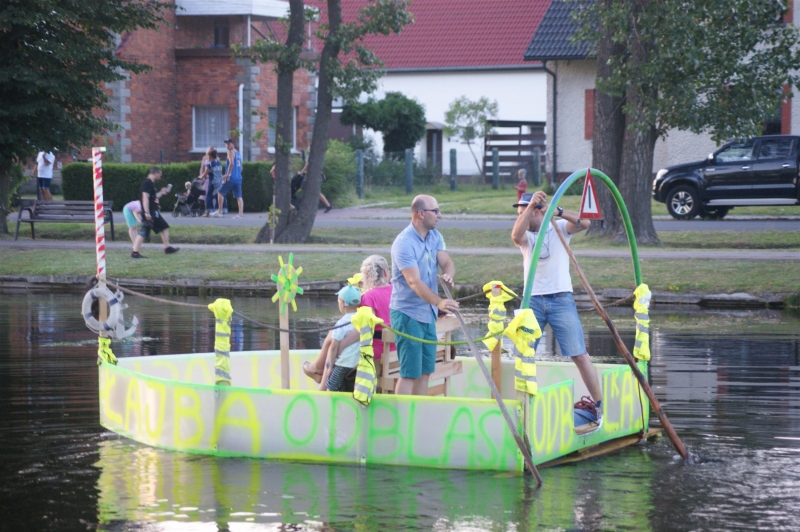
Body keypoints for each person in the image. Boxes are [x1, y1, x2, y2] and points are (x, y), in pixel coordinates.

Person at [510, 190, 603, 425]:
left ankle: (599, 405)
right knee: (524, 355)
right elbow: (515, 235)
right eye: (520, 213)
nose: (521, 216)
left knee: (579, 354)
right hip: (532, 301)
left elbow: (585, 223)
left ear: (538, 212)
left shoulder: (559, 227)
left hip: (561, 299)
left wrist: (557, 211)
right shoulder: (525, 236)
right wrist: (529, 206)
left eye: (525, 212)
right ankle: (521, 407)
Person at [389, 195, 458, 396]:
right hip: (407, 314)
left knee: (426, 372)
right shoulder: (403, 243)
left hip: (428, 313)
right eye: (435, 211)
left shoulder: (435, 235)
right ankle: (403, 415)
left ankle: (416, 411)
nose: (439, 215)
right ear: (421, 214)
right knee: (409, 373)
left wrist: (448, 274)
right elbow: (413, 282)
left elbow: (447, 262)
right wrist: (440, 302)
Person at [302, 255, 389, 383]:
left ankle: (320, 374)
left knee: (335, 335)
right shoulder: (395, 292)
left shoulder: (369, 297)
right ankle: (318, 369)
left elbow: (363, 329)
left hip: (374, 354)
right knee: (336, 333)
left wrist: (339, 347)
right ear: (386, 273)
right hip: (396, 351)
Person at [318, 285, 363, 392]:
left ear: (342, 304)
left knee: (331, 387)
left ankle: (329, 401)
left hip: (343, 365)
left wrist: (330, 367)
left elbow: (333, 347)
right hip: (358, 364)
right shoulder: (362, 320)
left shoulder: (341, 323)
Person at [131, 167, 179, 258]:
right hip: (150, 212)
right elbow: (145, 198)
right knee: (144, 231)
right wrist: (146, 212)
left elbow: (153, 197)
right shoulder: (147, 183)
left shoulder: (151, 184)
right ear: (156, 173)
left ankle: (167, 248)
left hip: (154, 211)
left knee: (164, 227)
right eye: (159, 175)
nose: (160, 177)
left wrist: (161, 192)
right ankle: (135, 253)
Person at [216, 138, 243, 218]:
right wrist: (238, 174)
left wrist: (227, 174)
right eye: (226, 144)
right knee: (239, 197)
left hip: (231, 178)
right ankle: (240, 214)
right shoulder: (238, 154)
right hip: (238, 178)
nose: (227, 145)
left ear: (233, 144)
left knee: (220, 192)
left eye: (229, 144)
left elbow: (231, 163)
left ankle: (220, 211)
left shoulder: (230, 152)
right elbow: (241, 168)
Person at [200, 146, 224, 216]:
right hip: (219, 181)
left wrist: (200, 177)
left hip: (213, 181)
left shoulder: (210, 164)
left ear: (210, 156)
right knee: (219, 195)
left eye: (208, 156)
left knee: (209, 196)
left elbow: (205, 174)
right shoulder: (218, 162)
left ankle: (208, 212)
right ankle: (220, 210)